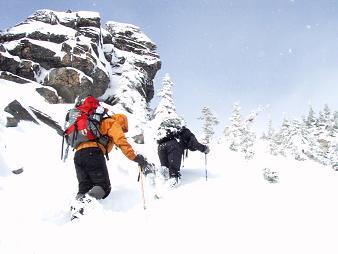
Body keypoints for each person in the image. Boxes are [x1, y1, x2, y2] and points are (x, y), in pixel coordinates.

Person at [67, 96, 151, 219]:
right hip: (93, 153)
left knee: (84, 187)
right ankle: (81, 207)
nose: (122, 130)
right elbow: (121, 141)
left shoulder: (92, 122)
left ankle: (76, 213)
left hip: (78, 155)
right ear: (122, 122)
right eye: (123, 128)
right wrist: (135, 157)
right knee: (103, 186)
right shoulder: (111, 122)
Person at [156, 118, 210, 188]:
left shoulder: (170, 133)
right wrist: (204, 149)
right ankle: (168, 188)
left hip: (161, 147)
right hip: (173, 146)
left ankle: (159, 185)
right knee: (173, 174)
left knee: (165, 169)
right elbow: (194, 144)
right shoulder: (185, 131)